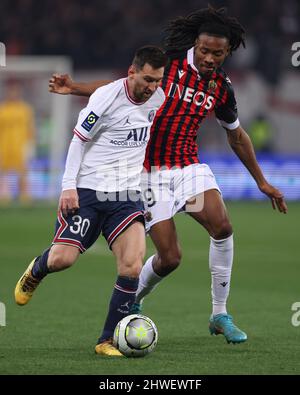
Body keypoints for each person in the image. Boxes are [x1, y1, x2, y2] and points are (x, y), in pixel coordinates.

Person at [49, 7, 288, 344]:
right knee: (170, 257)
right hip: (147, 174)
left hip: (187, 167)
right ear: (196, 44)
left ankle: (219, 313)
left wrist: (262, 182)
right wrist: (76, 88)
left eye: (217, 53)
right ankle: (135, 298)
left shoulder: (221, 86)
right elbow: (123, 88)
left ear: (227, 52)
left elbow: (236, 135)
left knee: (222, 225)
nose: (208, 58)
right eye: (204, 50)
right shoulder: (169, 65)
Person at [14, 45, 168, 356]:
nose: (152, 87)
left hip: (126, 195)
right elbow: (78, 141)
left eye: (157, 81)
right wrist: (68, 187)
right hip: (88, 191)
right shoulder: (105, 99)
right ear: (132, 73)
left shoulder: (159, 97)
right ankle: (37, 271)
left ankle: (107, 340)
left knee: (132, 265)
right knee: (62, 260)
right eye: (148, 79)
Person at [0, 80, 35, 202]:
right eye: (11, 91)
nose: (13, 93)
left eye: (15, 91)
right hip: (4, 146)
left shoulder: (25, 109)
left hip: (21, 145)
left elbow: (30, 128)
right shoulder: (2, 109)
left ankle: (25, 197)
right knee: (4, 172)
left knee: (23, 172)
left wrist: (30, 145)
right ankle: (4, 197)